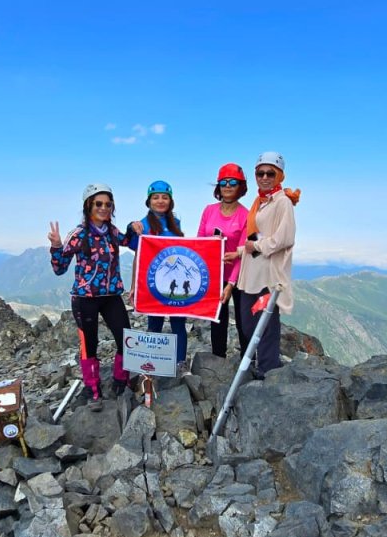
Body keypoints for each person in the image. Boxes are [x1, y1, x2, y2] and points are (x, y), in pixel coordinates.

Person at [49, 183, 134, 410]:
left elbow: (131, 242)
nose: (104, 208)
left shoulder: (113, 232)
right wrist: (56, 246)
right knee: (90, 344)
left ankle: (120, 379)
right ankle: (92, 389)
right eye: (99, 204)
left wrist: (134, 227)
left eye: (108, 204)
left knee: (125, 337)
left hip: (111, 295)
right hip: (84, 298)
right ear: (88, 206)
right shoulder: (78, 234)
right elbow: (59, 269)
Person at [233, 152, 299, 379]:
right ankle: (262, 363)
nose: (265, 177)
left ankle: (268, 368)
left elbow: (285, 238)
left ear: (279, 175)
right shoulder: (260, 201)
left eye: (270, 173)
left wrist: (256, 247)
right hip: (251, 272)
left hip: (268, 275)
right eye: (260, 173)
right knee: (249, 323)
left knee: (266, 323)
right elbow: (254, 238)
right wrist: (240, 251)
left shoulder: (282, 202)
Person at [126, 180, 190, 374]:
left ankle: (180, 362)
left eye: (165, 197)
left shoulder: (176, 223)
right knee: (155, 322)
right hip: (153, 283)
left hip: (176, 282)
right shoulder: (142, 225)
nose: (160, 201)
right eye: (156, 197)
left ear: (170, 201)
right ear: (149, 201)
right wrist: (134, 286)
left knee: (179, 323)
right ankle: (152, 363)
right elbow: (139, 256)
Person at [197, 162, 251, 358]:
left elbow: (243, 252)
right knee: (217, 318)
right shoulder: (209, 211)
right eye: (223, 182)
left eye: (233, 182)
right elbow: (200, 241)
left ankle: (247, 361)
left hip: (239, 276)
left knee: (243, 319)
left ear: (240, 187)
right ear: (218, 186)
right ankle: (218, 359)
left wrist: (230, 284)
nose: (228, 186)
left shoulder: (246, 215)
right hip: (214, 273)